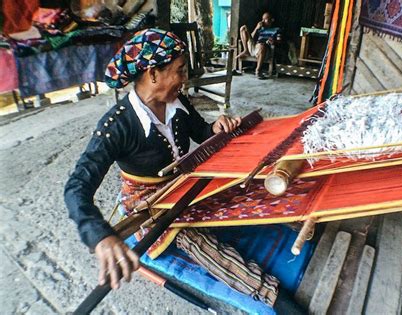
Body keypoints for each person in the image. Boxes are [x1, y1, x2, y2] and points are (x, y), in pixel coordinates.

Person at [64, 28, 281, 307]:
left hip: (181, 187)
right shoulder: (116, 126)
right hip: (149, 203)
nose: (184, 78)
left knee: (241, 190)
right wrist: (100, 236)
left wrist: (216, 127)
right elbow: (76, 187)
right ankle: (270, 294)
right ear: (153, 74)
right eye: (179, 70)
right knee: (194, 240)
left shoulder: (177, 101)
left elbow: (201, 131)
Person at [236, 12, 281, 79]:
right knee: (243, 28)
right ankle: (246, 50)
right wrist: (256, 28)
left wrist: (274, 41)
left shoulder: (276, 30)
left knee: (262, 45)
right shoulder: (260, 29)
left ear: (272, 20)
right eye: (262, 19)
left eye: (266, 19)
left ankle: (258, 70)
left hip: (266, 50)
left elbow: (279, 41)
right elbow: (251, 37)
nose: (263, 21)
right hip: (255, 48)